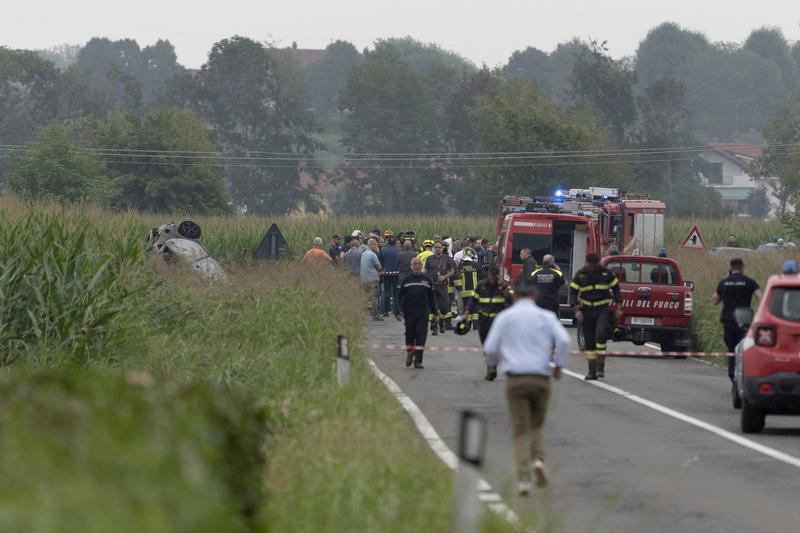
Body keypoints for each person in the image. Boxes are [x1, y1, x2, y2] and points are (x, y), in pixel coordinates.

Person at [483, 276, 569, 495]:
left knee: (520, 429)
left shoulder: (505, 317)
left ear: (514, 294)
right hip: (541, 379)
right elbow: (565, 341)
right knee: (536, 425)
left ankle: (523, 478)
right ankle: (538, 461)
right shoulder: (546, 316)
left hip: (516, 380)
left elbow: (490, 347)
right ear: (535, 295)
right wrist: (558, 365)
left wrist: (493, 364)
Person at [570, 253, 623, 380]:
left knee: (601, 335)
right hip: (587, 310)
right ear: (586, 263)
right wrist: (576, 309)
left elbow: (616, 289)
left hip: (602, 309)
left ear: (598, 263)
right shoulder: (581, 274)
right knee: (589, 342)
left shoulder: (606, 273)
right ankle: (591, 370)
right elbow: (573, 291)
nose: (592, 269)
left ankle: (600, 366)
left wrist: (619, 307)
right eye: (590, 266)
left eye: (595, 266)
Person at [712, 258, 762, 382]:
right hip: (744, 321)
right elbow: (761, 297)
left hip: (729, 321)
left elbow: (715, 301)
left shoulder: (724, 282)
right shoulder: (749, 282)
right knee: (745, 349)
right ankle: (744, 375)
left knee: (731, 349)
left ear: (731, 268)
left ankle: (732, 375)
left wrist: (727, 278)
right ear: (742, 267)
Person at [462, 265, 513, 380]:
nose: (492, 279)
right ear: (488, 275)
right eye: (491, 277)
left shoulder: (503, 286)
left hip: (497, 321)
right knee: (486, 345)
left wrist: (502, 288)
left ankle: (492, 368)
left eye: (495, 277)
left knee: (495, 345)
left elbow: (512, 300)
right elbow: (473, 300)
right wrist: (467, 312)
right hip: (483, 320)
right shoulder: (481, 285)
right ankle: (491, 365)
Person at [395, 257, 438, 369]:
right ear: (412, 266)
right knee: (410, 335)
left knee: (421, 336)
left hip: (423, 313)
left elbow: (432, 298)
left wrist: (435, 313)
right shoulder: (406, 279)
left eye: (419, 264)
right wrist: (397, 311)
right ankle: (410, 352)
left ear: (422, 265)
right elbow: (398, 297)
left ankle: (418, 360)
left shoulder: (427, 280)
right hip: (409, 312)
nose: (417, 266)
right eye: (415, 264)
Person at [425, 241, 455, 334]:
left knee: (445, 306)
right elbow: (426, 270)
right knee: (433, 307)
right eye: (436, 247)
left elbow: (452, 271)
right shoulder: (429, 259)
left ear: (442, 248)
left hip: (443, 285)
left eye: (439, 247)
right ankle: (434, 327)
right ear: (434, 248)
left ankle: (442, 322)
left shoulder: (447, 259)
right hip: (433, 285)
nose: (438, 249)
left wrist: (445, 276)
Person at [459, 247, 484, 327]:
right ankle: (476, 325)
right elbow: (482, 277)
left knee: (467, 308)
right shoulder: (476, 265)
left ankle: (468, 324)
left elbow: (457, 278)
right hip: (475, 292)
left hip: (464, 293)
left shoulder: (461, 266)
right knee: (476, 308)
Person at [361, 238, 383, 320]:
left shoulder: (363, 254)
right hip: (372, 279)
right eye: (376, 245)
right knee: (374, 297)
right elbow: (379, 267)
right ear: (371, 245)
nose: (377, 246)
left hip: (364, 279)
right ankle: (375, 315)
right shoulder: (372, 254)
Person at [379, 236, 402, 317]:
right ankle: (396, 311)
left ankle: (386, 310)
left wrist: (382, 271)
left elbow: (380, 262)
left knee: (386, 292)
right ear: (395, 242)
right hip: (396, 273)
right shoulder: (399, 250)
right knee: (396, 293)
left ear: (388, 242)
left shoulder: (383, 250)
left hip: (386, 274)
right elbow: (400, 262)